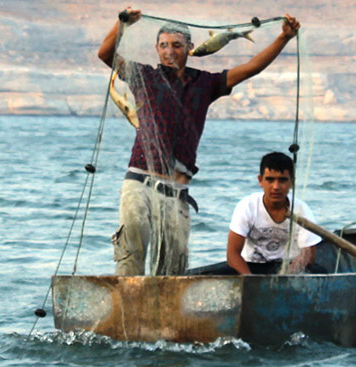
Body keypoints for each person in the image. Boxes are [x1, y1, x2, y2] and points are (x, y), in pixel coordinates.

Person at [97, 8, 301, 276]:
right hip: (139, 184)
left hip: (176, 193)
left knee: (173, 270)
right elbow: (105, 54)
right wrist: (122, 24)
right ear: (157, 49)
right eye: (164, 45)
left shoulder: (206, 83)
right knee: (130, 258)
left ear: (189, 48)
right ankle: (125, 315)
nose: (170, 51)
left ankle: (164, 318)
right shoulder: (144, 77)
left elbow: (251, 68)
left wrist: (282, 39)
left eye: (177, 45)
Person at [224, 152, 326, 275]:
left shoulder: (301, 209)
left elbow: (308, 255)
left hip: (288, 266)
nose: (276, 187)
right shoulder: (247, 206)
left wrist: (284, 278)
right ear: (260, 180)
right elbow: (232, 254)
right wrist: (250, 280)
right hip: (253, 266)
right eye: (270, 180)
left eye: (282, 180)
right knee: (223, 273)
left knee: (319, 271)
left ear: (292, 182)